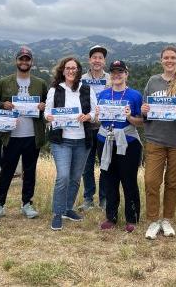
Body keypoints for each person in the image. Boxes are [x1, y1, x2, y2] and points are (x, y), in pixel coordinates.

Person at [141, 46, 176, 240]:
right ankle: (153, 220)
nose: (169, 61)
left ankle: (167, 219)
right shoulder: (153, 81)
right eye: (166, 58)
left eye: (173, 58)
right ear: (161, 60)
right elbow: (144, 111)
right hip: (155, 138)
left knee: (173, 183)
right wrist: (144, 110)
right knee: (151, 181)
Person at [0, 46, 47, 221]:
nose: (24, 62)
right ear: (16, 61)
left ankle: (27, 204)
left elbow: (48, 105)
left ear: (32, 62)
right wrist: (2, 105)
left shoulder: (40, 83)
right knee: (6, 171)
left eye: (27, 59)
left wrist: (43, 107)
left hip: (32, 135)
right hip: (11, 135)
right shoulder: (4, 82)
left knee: (29, 171)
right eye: (21, 59)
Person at [45, 57, 97, 231]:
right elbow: (47, 112)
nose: (71, 71)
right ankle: (57, 214)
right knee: (63, 177)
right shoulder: (55, 89)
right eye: (68, 68)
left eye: (74, 68)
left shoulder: (87, 89)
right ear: (62, 70)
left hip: (82, 140)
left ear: (78, 70)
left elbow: (94, 112)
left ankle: (68, 209)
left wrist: (87, 116)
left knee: (75, 178)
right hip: (62, 141)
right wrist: (49, 117)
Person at [96, 60, 143, 233]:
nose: (117, 75)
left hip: (128, 142)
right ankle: (111, 217)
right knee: (109, 179)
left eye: (120, 71)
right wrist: (97, 115)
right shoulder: (103, 94)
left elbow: (141, 122)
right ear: (110, 74)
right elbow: (97, 119)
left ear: (126, 74)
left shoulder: (135, 95)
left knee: (129, 180)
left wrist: (130, 117)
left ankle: (132, 218)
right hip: (105, 140)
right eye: (114, 72)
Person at [79, 45, 110, 211]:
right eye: (94, 57)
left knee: (105, 164)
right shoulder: (81, 79)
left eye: (100, 58)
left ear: (104, 61)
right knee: (87, 165)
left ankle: (104, 199)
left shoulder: (111, 79)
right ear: (89, 60)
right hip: (86, 127)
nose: (97, 60)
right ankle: (88, 198)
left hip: (105, 127)